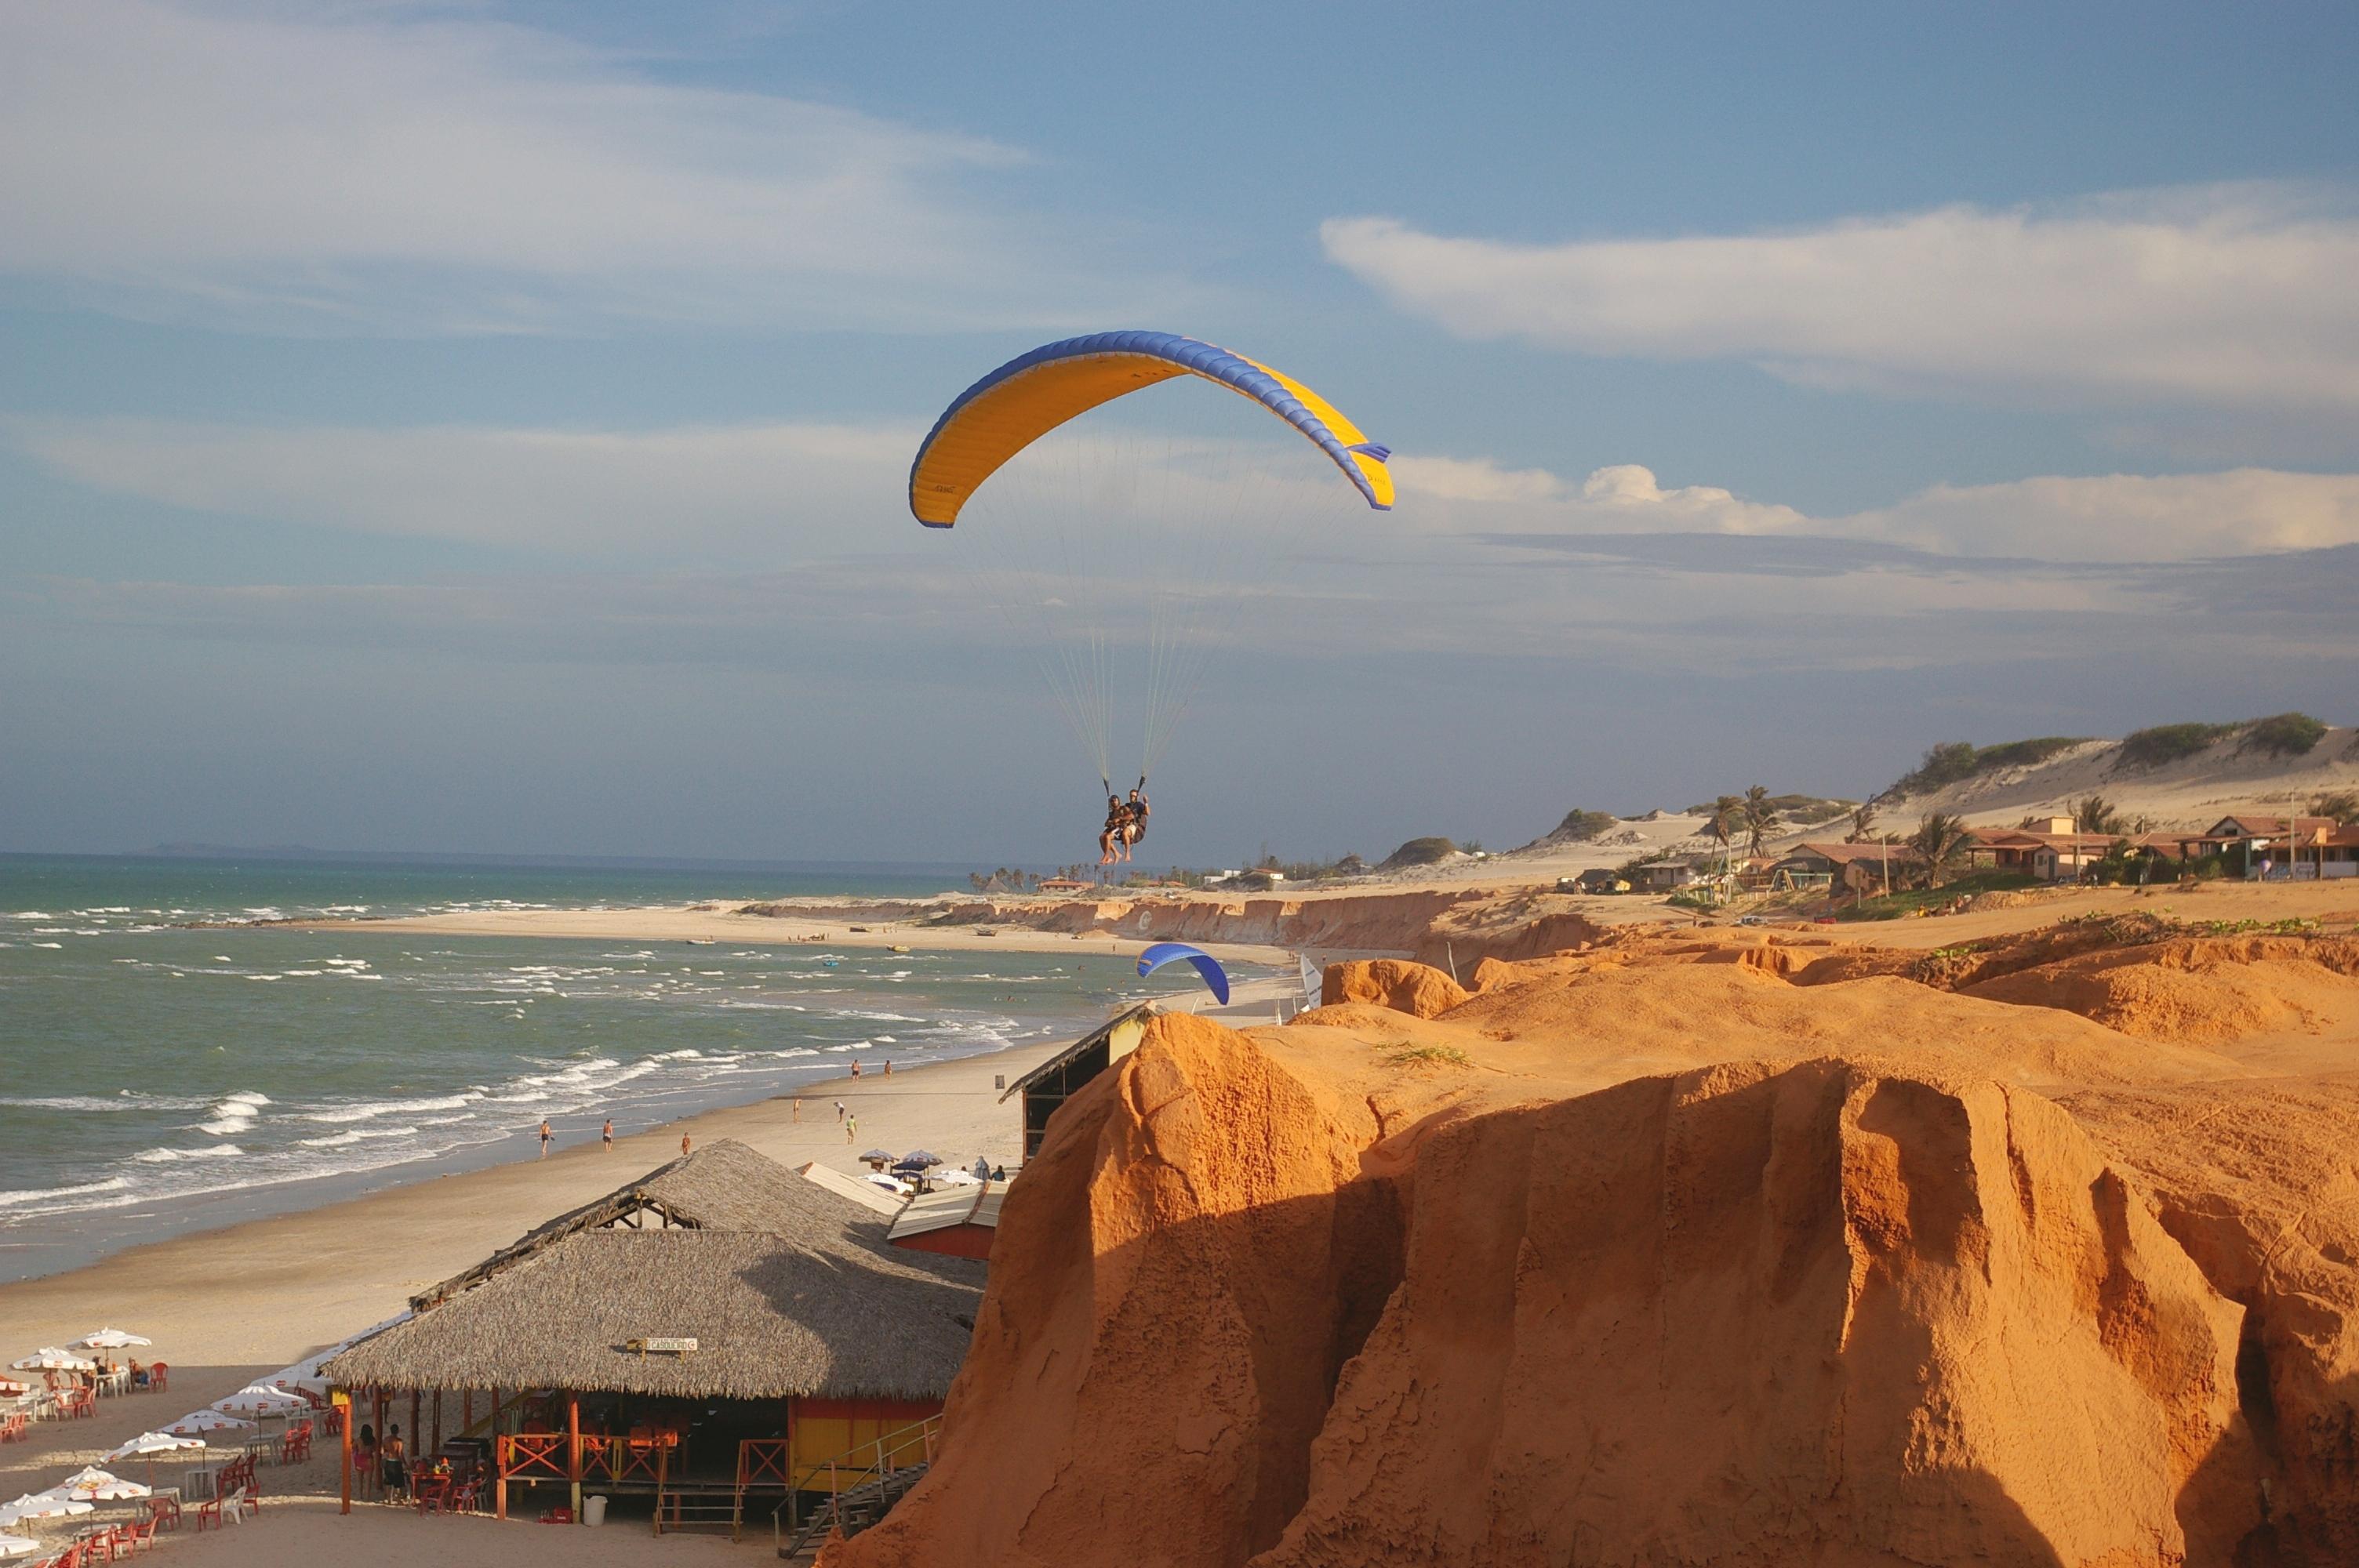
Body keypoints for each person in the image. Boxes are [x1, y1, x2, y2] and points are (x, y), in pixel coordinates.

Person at [1121, 786, 1150, 861]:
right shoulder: (1127, 805)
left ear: (1137, 797)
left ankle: (1127, 853)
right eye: (1131, 796)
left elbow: (1148, 813)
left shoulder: (1139, 805)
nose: (1132, 797)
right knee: (1106, 836)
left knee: (1125, 833)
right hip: (1125, 825)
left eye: (1134, 796)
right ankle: (1108, 855)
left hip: (1136, 827)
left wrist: (1146, 803)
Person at [1098, 793, 1128, 866]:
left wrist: (1119, 819)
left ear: (1118, 801)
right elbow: (1107, 823)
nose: (1114, 802)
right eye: (1112, 801)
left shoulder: (1123, 808)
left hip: (1120, 828)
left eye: (1115, 800)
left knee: (1108, 837)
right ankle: (1116, 854)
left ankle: (1107, 856)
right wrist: (1110, 822)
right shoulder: (1112, 812)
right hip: (1112, 828)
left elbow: (1131, 816)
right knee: (1102, 837)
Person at [381, 1423, 408, 1501]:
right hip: (396, 1462)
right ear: (398, 1431)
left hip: (388, 1461)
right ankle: (398, 1498)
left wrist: (387, 1451)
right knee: (399, 1481)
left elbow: (382, 1451)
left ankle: (388, 1498)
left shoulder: (386, 1440)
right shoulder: (399, 1441)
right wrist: (405, 1463)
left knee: (388, 1481)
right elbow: (400, 1454)